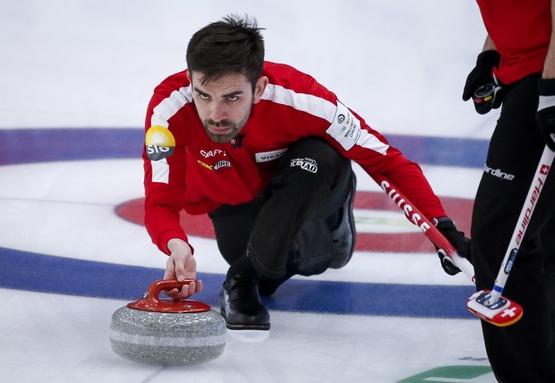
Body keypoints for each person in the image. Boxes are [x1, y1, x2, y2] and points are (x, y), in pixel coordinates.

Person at [143, 14, 470, 332]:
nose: (216, 114)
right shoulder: (168, 112)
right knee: (268, 275)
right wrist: (176, 245)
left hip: (303, 180)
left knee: (318, 157)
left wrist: (442, 229)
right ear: (190, 80)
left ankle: (259, 266)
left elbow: (385, 160)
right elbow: (161, 200)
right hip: (233, 200)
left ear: (259, 88)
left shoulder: (302, 99)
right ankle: (268, 261)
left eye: (232, 97)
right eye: (204, 95)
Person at [461, 1, 555, 381]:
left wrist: (550, 89)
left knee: (502, 241)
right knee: (546, 231)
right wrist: (492, 56)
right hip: (530, 75)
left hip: (543, 79)